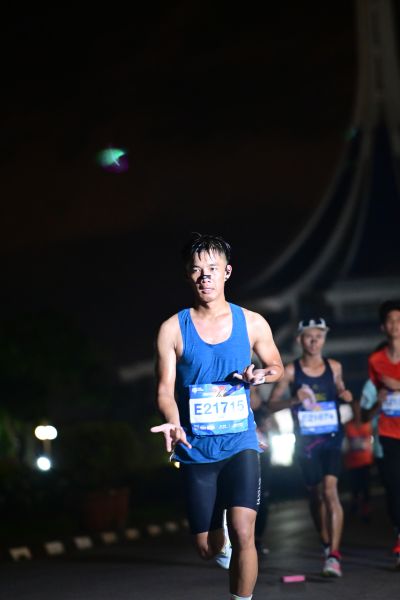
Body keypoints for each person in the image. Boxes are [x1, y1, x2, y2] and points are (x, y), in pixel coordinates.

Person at [150, 233, 284, 600]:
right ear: (188, 275)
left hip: (241, 441)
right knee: (207, 548)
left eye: (212, 268)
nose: (205, 276)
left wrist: (262, 375)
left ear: (227, 272)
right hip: (196, 448)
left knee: (244, 532)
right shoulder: (172, 329)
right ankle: (216, 533)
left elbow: (276, 366)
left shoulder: (252, 322)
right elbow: (164, 390)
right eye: (196, 270)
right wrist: (173, 421)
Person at [268, 318, 352, 578]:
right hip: (306, 443)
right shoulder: (291, 371)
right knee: (316, 496)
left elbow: (341, 389)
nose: (315, 341)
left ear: (324, 339)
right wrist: (294, 400)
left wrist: (345, 395)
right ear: (300, 340)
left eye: (319, 336)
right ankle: (326, 543)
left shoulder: (334, 367)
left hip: (331, 437)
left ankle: (334, 555)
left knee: (330, 490)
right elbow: (271, 404)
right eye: (309, 336)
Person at [361, 300, 400, 569]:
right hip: (388, 434)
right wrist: (379, 400)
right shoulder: (376, 361)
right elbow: (370, 407)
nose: (395, 325)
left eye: (399, 320)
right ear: (383, 327)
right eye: (390, 321)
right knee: (394, 488)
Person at [343, 399, 373, 521]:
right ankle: (354, 507)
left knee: (366, 487)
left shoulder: (367, 424)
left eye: (358, 408)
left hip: (365, 461)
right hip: (352, 462)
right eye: (354, 408)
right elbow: (345, 444)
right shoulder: (347, 426)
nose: (356, 410)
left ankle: (365, 511)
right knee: (355, 488)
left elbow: (370, 441)